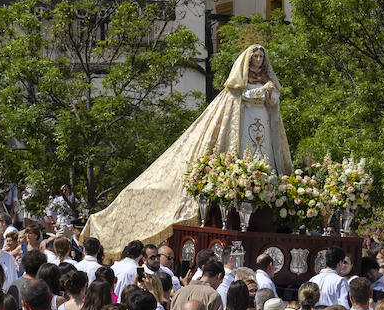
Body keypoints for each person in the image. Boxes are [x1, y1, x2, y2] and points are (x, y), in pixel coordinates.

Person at [84, 44, 292, 258]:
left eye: (260, 56)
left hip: (262, 123)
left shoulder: (268, 77)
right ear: (248, 60)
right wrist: (260, 90)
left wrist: (270, 92)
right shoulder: (238, 80)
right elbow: (241, 96)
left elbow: (274, 99)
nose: (258, 59)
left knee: (263, 159)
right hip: (246, 121)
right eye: (255, 56)